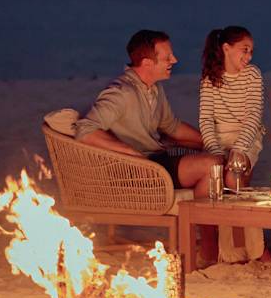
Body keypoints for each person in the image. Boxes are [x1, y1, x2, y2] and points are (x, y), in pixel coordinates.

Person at [74, 29, 220, 203]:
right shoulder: (121, 92)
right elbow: (85, 129)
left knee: (220, 160)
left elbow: (172, 126)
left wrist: (210, 141)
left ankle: (210, 219)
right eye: (167, 57)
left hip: (157, 161)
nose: (174, 60)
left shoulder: (155, 88)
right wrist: (130, 152)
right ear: (147, 63)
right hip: (136, 170)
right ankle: (202, 219)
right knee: (211, 166)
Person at [200, 26, 271, 263]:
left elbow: (253, 116)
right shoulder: (210, 79)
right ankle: (227, 250)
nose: (249, 56)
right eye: (244, 50)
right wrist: (215, 153)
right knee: (214, 180)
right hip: (219, 139)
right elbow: (206, 120)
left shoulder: (252, 75)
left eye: (251, 51)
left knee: (234, 178)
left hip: (247, 137)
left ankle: (253, 249)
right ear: (226, 48)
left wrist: (239, 149)